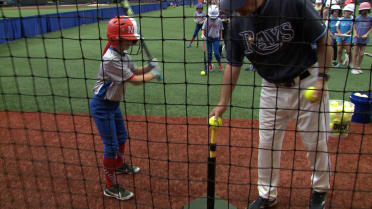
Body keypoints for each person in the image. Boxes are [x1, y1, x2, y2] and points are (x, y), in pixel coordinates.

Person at [210, 0, 333, 208]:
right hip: (271, 87)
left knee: (316, 142)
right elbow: (233, 64)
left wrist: (322, 79)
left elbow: (324, 40)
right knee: (266, 143)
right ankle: (267, 194)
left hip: (307, 81)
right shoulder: (237, 22)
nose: (237, 10)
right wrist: (223, 103)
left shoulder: (291, 4)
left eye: (239, 4)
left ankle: (320, 190)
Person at [89, 16, 161, 201]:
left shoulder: (123, 54)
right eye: (129, 39)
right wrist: (153, 74)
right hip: (102, 106)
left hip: (113, 105)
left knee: (121, 137)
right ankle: (110, 186)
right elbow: (135, 81)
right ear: (116, 39)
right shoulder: (110, 59)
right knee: (111, 146)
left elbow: (135, 71)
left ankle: (119, 165)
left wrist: (149, 67)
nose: (132, 42)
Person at [201, 4, 224, 71]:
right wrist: (202, 34)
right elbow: (203, 28)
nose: (213, 18)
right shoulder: (207, 20)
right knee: (209, 53)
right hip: (208, 39)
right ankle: (210, 64)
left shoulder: (219, 20)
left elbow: (221, 29)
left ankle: (219, 64)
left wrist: (221, 38)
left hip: (216, 38)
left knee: (217, 53)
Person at [351, 2, 372, 74]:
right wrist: (355, 33)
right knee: (355, 53)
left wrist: (366, 34)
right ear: (360, 10)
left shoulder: (370, 18)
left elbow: (371, 28)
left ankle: (358, 66)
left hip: (365, 39)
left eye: (366, 9)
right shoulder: (357, 18)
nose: (365, 11)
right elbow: (354, 26)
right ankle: (354, 67)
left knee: (362, 53)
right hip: (357, 38)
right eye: (363, 10)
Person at [335, 3, 354, 68]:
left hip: (347, 37)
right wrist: (340, 34)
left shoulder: (352, 20)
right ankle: (339, 63)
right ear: (344, 12)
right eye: (346, 11)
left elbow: (351, 29)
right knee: (339, 50)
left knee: (349, 51)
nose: (347, 13)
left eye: (349, 12)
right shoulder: (340, 19)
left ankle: (351, 63)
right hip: (340, 37)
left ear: (351, 12)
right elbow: (337, 27)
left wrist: (345, 35)